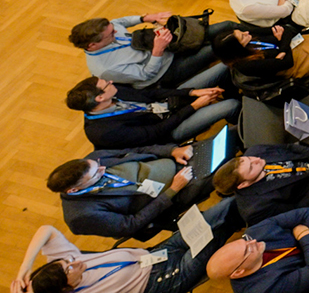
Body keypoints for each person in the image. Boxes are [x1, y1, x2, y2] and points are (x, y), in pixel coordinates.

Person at [13, 203, 238, 293]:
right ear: (65, 289)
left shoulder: (63, 263)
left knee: (213, 214)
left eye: (67, 262)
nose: (76, 261)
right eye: (71, 270)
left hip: (153, 254)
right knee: (215, 234)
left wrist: (25, 267)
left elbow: (46, 230)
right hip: (163, 281)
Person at [49, 145, 213, 240]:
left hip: (177, 162)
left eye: (96, 164)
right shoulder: (81, 216)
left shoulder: (95, 158)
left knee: (226, 137)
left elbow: (138, 150)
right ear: (73, 190)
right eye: (95, 174)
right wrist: (173, 190)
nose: (103, 168)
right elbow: (131, 224)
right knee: (227, 171)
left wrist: (172, 150)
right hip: (172, 198)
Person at [65, 77, 237, 150]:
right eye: (106, 84)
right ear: (100, 97)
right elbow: (157, 132)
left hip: (168, 106)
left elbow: (150, 95)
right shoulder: (104, 132)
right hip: (169, 130)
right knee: (230, 105)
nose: (111, 81)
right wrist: (194, 106)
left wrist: (191, 93)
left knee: (218, 70)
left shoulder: (113, 92)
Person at [69, 14, 232, 90]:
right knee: (221, 45)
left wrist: (145, 18)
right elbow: (146, 75)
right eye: (111, 34)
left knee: (225, 26)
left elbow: (119, 22)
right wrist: (158, 49)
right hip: (165, 71)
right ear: (92, 45)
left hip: (166, 47)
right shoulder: (105, 69)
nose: (116, 32)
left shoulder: (108, 29)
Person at [213, 23, 309, 88]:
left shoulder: (249, 39)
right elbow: (287, 64)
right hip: (298, 64)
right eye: (242, 37)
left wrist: (282, 49)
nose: (247, 33)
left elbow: (285, 29)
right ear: (236, 49)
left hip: (296, 47)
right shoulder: (245, 65)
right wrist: (282, 46)